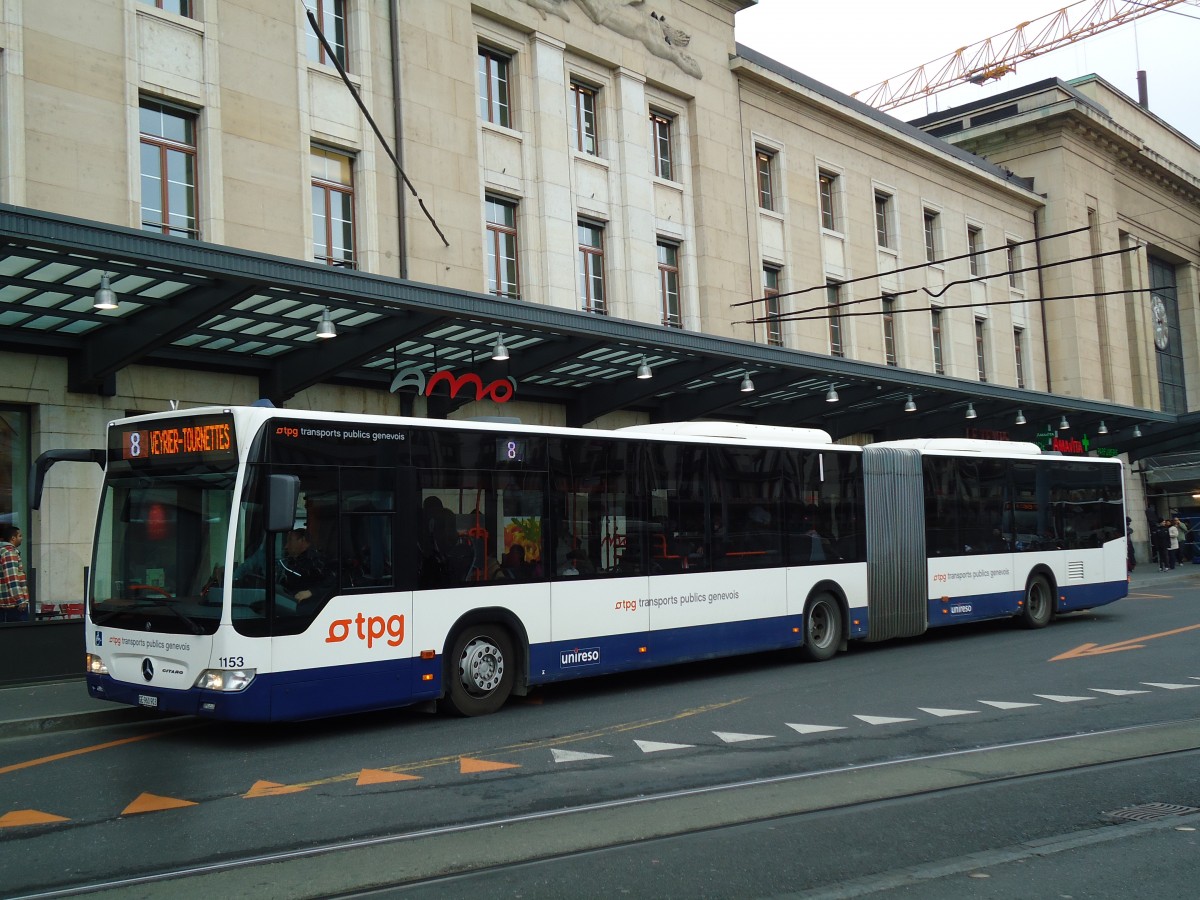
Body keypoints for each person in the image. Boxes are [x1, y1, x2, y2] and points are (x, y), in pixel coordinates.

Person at [0, 523, 30, 623]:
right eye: (20, 536)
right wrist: (20, 600)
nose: (21, 538)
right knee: (19, 636)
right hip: (12, 606)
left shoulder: (3, 551)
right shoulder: (9, 552)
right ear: (13, 538)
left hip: (7, 605)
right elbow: (11, 578)